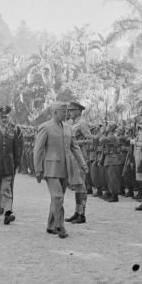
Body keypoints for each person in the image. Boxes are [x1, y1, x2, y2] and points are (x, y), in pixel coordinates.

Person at [33, 102, 88, 238]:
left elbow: (75, 147)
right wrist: (38, 169)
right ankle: (60, 225)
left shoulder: (69, 128)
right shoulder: (45, 127)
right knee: (57, 196)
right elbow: (38, 150)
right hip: (50, 168)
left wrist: (82, 163)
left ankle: (50, 225)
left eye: (67, 112)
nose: (66, 114)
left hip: (65, 168)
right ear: (55, 113)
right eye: (63, 112)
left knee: (57, 198)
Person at [66, 101, 95, 222]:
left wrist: (77, 143)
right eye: (69, 110)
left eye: (72, 110)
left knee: (81, 185)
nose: (69, 112)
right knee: (77, 186)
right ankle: (77, 212)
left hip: (80, 157)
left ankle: (82, 214)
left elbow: (91, 140)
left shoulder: (82, 123)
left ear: (78, 111)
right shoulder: (71, 123)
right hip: (72, 157)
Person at [100, 122, 123, 203]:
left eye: (108, 126)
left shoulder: (112, 136)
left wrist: (102, 132)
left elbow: (101, 140)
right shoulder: (109, 135)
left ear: (111, 128)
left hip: (113, 159)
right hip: (108, 159)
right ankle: (110, 193)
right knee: (108, 178)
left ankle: (114, 196)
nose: (106, 127)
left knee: (113, 178)